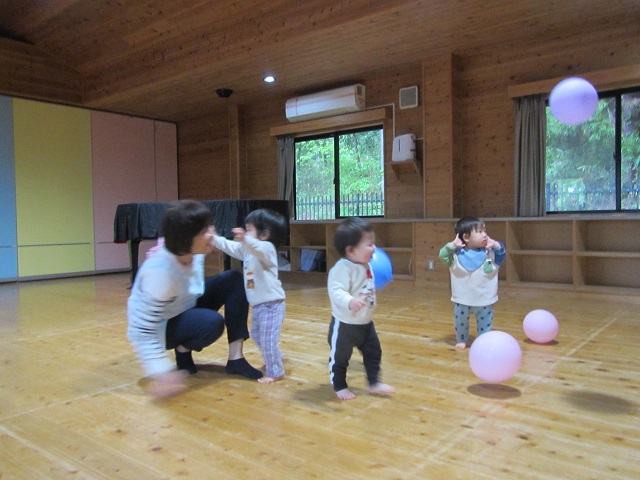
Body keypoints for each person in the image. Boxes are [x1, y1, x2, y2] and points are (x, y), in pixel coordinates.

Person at [127, 200, 263, 398]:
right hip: (162, 327)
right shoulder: (159, 273)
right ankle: (182, 349)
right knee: (211, 322)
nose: (212, 233)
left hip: (185, 303)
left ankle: (236, 359)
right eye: (204, 230)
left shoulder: (188, 248)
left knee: (234, 279)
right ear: (187, 237)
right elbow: (142, 330)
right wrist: (162, 371)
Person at [212, 209, 288, 384]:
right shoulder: (247, 249)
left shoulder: (267, 249)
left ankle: (275, 371)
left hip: (272, 305)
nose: (245, 234)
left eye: (249, 230)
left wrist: (245, 240)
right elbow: (230, 247)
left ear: (264, 234)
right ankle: (275, 357)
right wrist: (214, 238)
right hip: (259, 305)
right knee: (257, 335)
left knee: (267, 340)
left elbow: (258, 248)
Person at [327, 217, 395, 400]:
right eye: (369, 244)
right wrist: (349, 301)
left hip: (365, 323)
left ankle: (374, 383)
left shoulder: (367, 265)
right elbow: (335, 290)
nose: (374, 248)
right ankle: (339, 385)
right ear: (350, 250)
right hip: (345, 325)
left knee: (374, 353)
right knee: (340, 358)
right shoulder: (342, 268)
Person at [439, 216, 507, 350]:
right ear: (466, 237)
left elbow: (502, 254)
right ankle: (461, 339)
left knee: (485, 323)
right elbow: (442, 255)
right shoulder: (455, 256)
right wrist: (452, 245)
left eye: (485, 231)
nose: (485, 235)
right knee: (461, 323)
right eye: (480, 232)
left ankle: (484, 339)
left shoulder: (490, 253)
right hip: (461, 300)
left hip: (485, 300)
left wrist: (496, 244)